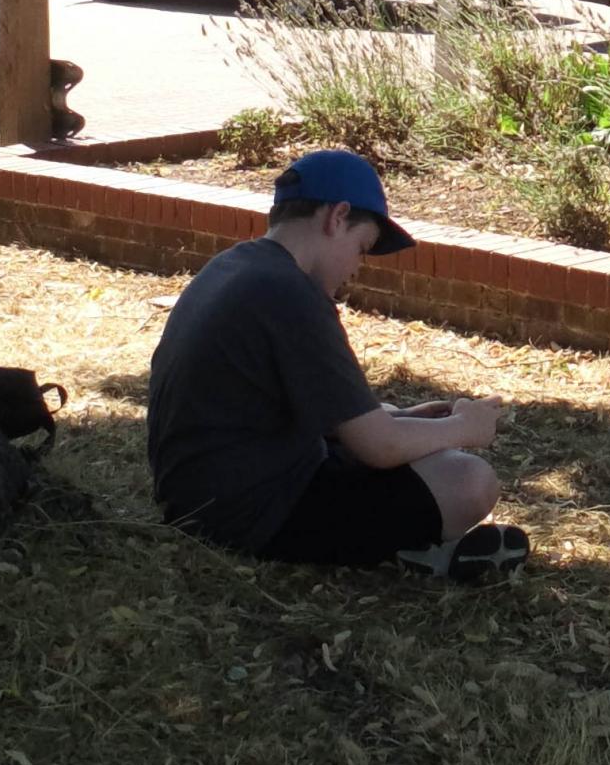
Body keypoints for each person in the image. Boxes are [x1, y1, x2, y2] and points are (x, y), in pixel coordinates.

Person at [146, 147, 531, 580]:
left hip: (198, 495)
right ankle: (421, 554)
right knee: (469, 479)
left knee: (390, 419)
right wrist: (467, 427)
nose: (356, 268)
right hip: (249, 515)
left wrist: (408, 421)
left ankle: (416, 545)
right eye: (361, 247)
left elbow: (305, 412)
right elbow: (378, 446)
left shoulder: (236, 266)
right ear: (337, 218)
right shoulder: (292, 295)